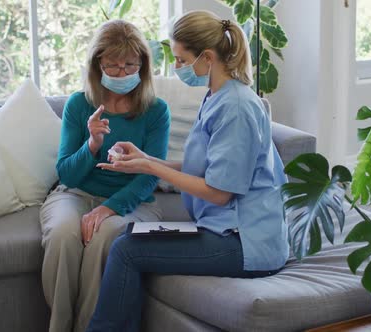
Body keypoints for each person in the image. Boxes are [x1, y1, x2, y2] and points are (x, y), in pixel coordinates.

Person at [87, 10, 289, 332]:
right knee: (129, 238)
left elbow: (220, 192)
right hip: (224, 230)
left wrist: (150, 168)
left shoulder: (236, 107)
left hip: (245, 244)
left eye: (181, 60)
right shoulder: (216, 96)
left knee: (126, 251)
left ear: (207, 57)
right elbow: (205, 168)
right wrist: (146, 158)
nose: (176, 68)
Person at [39, 20, 170, 332]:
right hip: (75, 193)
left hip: (132, 201)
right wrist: (92, 144)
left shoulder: (156, 110)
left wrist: (108, 207)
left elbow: (151, 175)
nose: (122, 73)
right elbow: (66, 173)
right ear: (97, 65)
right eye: (113, 66)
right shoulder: (79, 104)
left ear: (143, 65)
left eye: (130, 65)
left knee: (105, 236)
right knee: (63, 235)